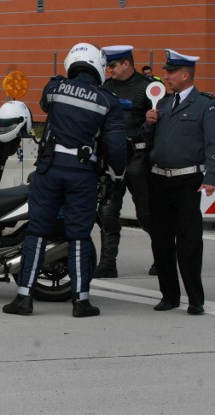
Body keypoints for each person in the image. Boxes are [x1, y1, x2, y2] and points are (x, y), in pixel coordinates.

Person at [3, 43, 127, 317]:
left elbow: (44, 104)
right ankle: (81, 302)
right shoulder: (107, 101)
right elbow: (117, 147)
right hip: (82, 174)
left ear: (71, 63)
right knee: (79, 236)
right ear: (98, 66)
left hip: (50, 170)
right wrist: (117, 175)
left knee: (37, 231)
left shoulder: (55, 88)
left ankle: (23, 298)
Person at [142, 49, 215, 315]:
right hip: (159, 179)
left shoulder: (204, 105)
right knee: (160, 241)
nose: (166, 76)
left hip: (187, 182)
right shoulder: (162, 104)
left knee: (189, 241)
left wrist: (211, 177)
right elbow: (148, 140)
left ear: (186, 75)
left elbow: (212, 144)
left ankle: (195, 299)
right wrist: (148, 123)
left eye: (171, 72)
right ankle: (169, 295)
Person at [93, 45, 155, 278]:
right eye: (108, 66)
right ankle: (108, 263)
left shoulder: (147, 88)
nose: (109, 70)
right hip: (112, 158)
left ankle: (162, 256)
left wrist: (150, 123)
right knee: (107, 213)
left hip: (139, 156)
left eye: (113, 65)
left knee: (146, 213)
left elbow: (161, 120)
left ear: (126, 64)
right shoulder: (106, 88)